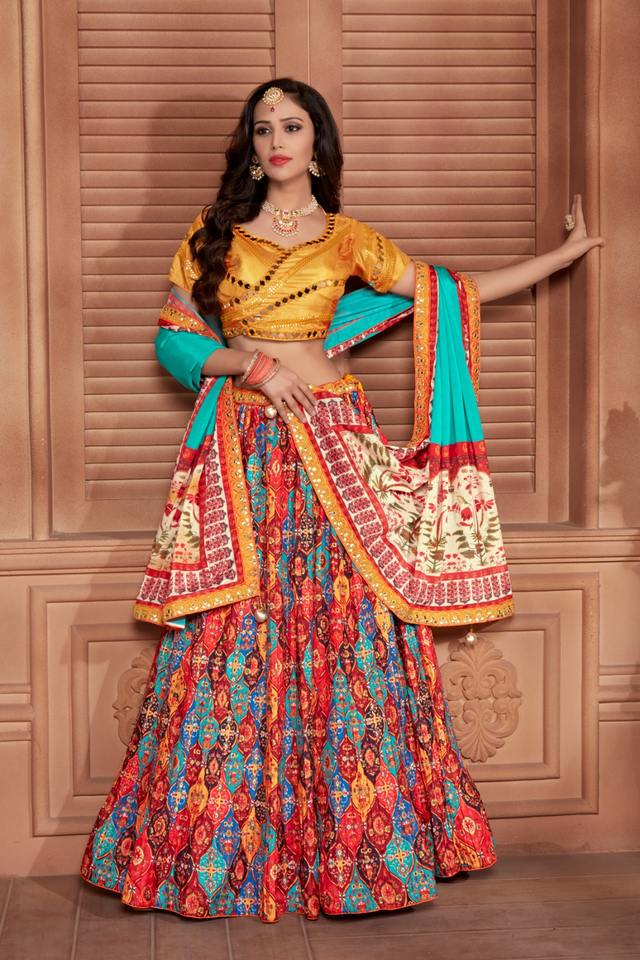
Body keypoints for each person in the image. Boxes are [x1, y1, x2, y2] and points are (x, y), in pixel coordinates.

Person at [79, 78, 604, 923]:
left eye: (291, 126)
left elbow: (449, 292)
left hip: (334, 441)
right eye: (263, 128)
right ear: (251, 148)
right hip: (246, 451)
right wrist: (250, 365)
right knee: (234, 631)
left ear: (316, 145)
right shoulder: (213, 235)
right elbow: (175, 341)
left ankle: (360, 853)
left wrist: (563, 256)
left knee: (351, 625)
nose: (276, 140)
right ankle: (219, 855)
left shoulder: (349, 239)